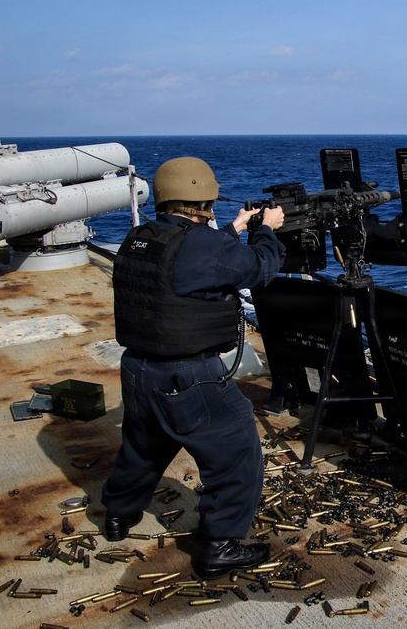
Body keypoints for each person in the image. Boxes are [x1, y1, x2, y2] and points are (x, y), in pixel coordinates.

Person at [101, 156, 286, 579]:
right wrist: (265, 231)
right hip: (188, 377)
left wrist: (235, 229)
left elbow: (187, 260)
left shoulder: (140, 237)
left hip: (138, 370)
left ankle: (118, 515)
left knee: (143, 446)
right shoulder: (202, 246)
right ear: (203, 198)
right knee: (237, 452)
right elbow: (259, 268)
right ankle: (220, 546)